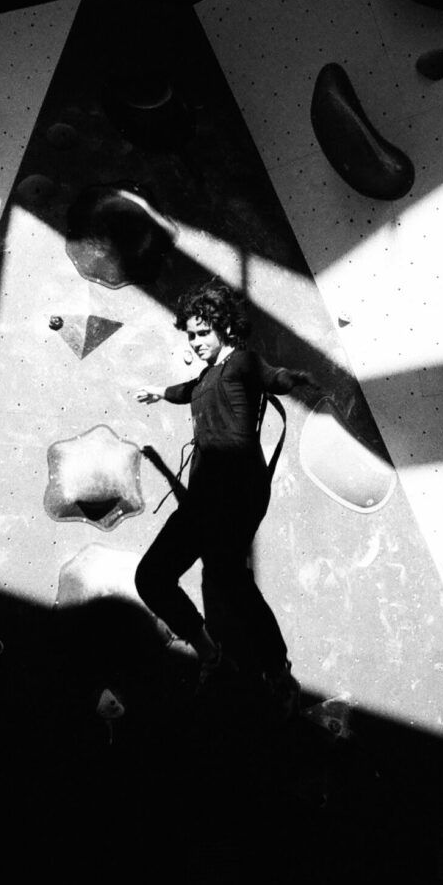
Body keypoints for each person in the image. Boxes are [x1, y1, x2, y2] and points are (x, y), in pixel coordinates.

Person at [134, 279, 319, 716]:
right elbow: (188, 392)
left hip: (236, 492)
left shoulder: (240, 364)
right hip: (203, 498)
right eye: (191, 335)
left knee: (231, 584)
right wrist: (160, 392)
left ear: (225, 330)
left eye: (203, 333)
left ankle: (277, 671)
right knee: (152, 578)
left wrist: (293, 380)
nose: (196, 342)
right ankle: (210, 653)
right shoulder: (204, 380)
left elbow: (271, 377)